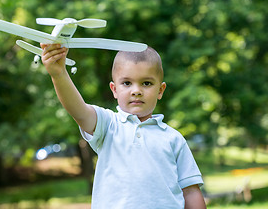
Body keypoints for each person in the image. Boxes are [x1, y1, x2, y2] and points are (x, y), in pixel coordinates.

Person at [40, 43, 206, 209]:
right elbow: (79, 110)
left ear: (160, 90)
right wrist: (59, 74)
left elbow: (190, 191)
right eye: (127, 83)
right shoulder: (108, 124)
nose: (136, 91)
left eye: (146, 83)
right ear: (114, 89)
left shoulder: (173, 138)